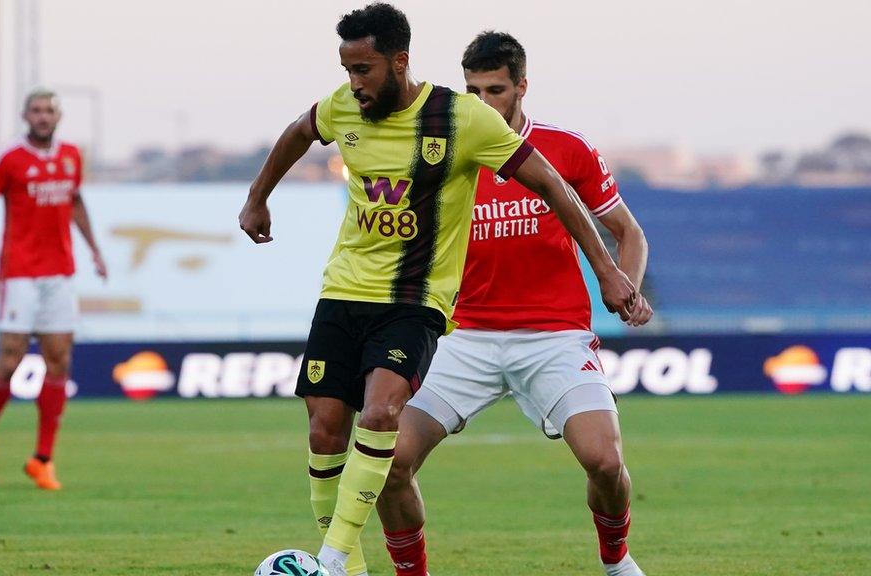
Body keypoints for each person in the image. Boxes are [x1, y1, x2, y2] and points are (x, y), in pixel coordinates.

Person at [238, 5, 638, 576]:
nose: (354, 82)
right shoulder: (345, 107)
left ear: (399, 62)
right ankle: (358, 566)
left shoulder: (468, 123)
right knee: (370, 451)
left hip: (523, 328)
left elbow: (558, 188)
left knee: (602, 459)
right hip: (449, 329)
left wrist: (608, 272)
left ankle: (617, 562)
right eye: (347, 69)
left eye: (364, 69)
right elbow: (301, 131)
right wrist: (257, 198)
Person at [375, 32, 653, 576]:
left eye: (495, 90)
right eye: (472, 91)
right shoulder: (442, 152)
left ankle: (617, 563)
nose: (483, 103)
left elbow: (629, 233)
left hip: (553, 338)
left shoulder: (566, 148)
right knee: (389, 462)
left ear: (522, 86)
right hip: (462, 339)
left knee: (605, 460)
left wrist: (626, 288)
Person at [0, 88, 107, 492]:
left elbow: (76, 202)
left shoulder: (71, 155)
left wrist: (95, 251)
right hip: (19, 275)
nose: (43, 117)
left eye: (49, 110)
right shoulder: (7, 159)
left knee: (59, 361)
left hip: (59, 273)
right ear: (25, 116)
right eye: (36, 111)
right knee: (9, 362)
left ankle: (42, 459)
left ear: (58, 116)